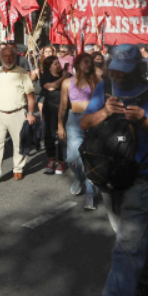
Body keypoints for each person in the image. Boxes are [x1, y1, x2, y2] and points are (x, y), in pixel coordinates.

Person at [81, 44, 148, 296]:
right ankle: (146, 281)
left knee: (127, 241)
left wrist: (144, 121)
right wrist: (104, 114)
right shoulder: (104, 87)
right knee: (126, 235)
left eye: (124, 71)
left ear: (137, 67)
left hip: (141, 176)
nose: (118, 76)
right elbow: (84, 122)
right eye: (114, 70)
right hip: (108, 175)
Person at [0, 45, 37, 182]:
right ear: (1, 57)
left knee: (18, 143)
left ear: (14, 57)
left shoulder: (22, 73)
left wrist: (30, 113)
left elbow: (30, 96)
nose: (8, 59)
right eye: (5, 56)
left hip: (17, 113)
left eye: (10, 56)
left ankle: (18, 169)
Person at [58, 53, 99, 210]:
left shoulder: (95, 81)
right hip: (73, 121)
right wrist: (60, 125)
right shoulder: (67, 83)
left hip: (91, 120)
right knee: (71, 158)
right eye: (86, 61)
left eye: (91, 62)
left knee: (90, 160)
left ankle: (90, 196)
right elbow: (62, 106)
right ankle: (79, 176)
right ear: (78, 63)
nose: (89, 64)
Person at [39, 56, 68, 175]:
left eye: (58, 63)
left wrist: (66, 76)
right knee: (49, 134)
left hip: (63, 108)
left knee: (62, 134)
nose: (58, 65)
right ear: (49, 66)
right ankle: (51, 159)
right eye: (55, 64)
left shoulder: (67, 74)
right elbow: (51, 87)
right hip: (49, 108)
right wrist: (64, 78)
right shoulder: (45, 76)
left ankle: (61, 160)